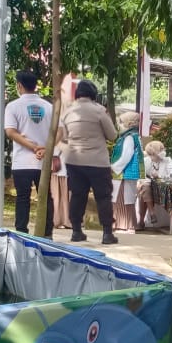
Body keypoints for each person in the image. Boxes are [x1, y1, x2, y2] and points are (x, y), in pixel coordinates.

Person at [59, 79, 119, 244]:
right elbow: (113, 135)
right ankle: (107, 233)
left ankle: (76, 231)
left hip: (74, 160)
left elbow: (63, 137)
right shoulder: (99, 111)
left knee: (77, 195)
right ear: (94, 95)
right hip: (97, 161)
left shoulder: (68, 112)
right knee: (103, 196)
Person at [3, 70, 54, 238]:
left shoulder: (13, 106)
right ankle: (47, 234)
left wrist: (32, 148)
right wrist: (45, 149)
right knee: (46, 198)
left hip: (22, 162)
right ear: (35, 86)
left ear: (19, 85)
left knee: (23, 198)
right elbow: (60, 131)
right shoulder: (48, 106)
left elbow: (10, 132)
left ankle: (21, 233)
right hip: (43, 162)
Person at [110, 111, 144, 233]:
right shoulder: (133, 136)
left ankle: (124, 225)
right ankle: (126, 224)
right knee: (126, 199)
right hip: (127, 173)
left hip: (124, 174)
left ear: (129, 124)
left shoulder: (129, 137)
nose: (119, 125)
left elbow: (126, 157)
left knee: (121, 198)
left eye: (121, 122)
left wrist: (113, 167)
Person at [139, 140, 172, 228]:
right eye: (149, 154)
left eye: (152, 154)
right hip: (148, 185)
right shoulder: (146, 161)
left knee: (145, 190)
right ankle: (151, 214)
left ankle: (142, 220)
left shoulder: (168, 161)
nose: (150, 156)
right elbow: (141, 176)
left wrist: (159, 176)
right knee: (145, 187)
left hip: (162, 188)